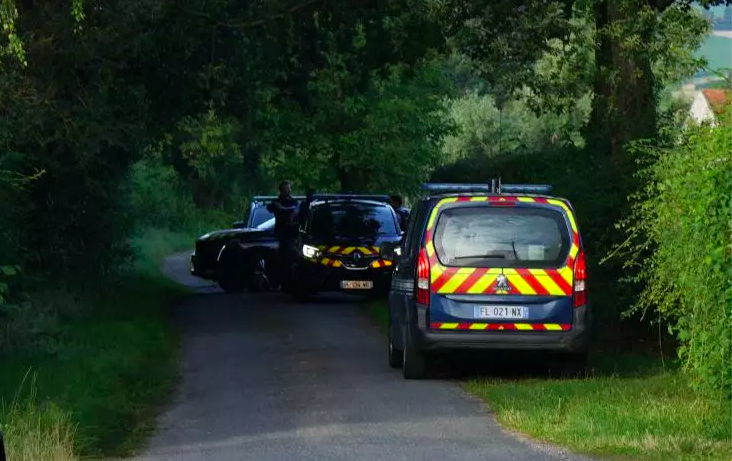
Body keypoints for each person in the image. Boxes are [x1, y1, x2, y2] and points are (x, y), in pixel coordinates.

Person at [267, 181, 299, 289]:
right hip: (281, 236)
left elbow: (294, 211)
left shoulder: (293, 202)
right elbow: (272, 208)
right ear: (282, 190)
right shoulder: (276, 202)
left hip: (292, 235)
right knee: (280, 260)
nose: (289, 191)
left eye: (289, 189)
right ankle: (278, 282)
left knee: (290, 259)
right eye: (286, 189)